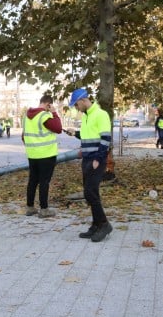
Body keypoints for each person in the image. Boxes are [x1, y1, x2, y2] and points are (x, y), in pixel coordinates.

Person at [66, 88, 113, 242]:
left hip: (95, 160)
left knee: (91, 193)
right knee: (90, 194)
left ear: (83, 100)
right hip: (87, 159)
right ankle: (96, 224)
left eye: (76, 105)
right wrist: (76, 134)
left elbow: (105, 139)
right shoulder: (87, 116)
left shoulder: (101, 114)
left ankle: (104, 225)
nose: (76, 108)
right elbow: (88, 136)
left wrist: (98, 159)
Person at [22, 95, 63, 218]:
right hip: (46, 154)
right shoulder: (44, 115)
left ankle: (30, 207)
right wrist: (54, 113)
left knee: (33, 181)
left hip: (32, 154)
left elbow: (23, 136)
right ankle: (44, 209)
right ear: (48, 105)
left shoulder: (26, 117)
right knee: (44, 182)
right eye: (50, 106)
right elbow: (58, 128)